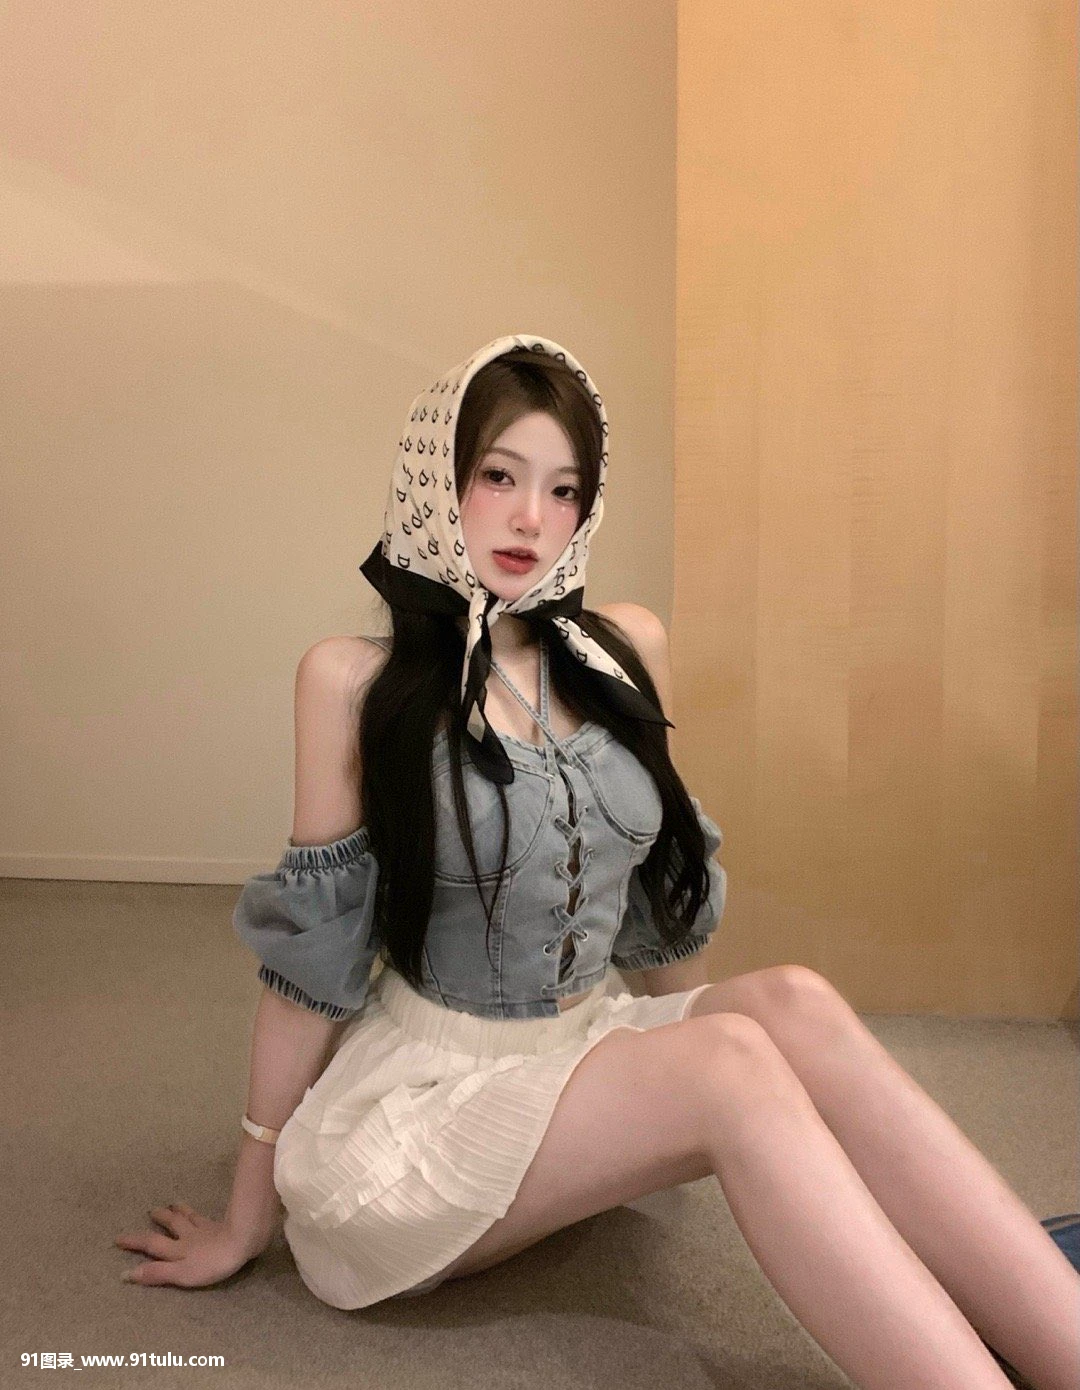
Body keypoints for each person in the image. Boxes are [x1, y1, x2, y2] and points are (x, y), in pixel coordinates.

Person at [115, 335, 1080, 1390]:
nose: (532, 518)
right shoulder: (352, 681)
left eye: (564, 489)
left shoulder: (620, 648)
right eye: (499, 476)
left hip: (576, 1044)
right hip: (424, 1115)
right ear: (438, 479)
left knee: (789, 1006)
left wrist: (681, 1081)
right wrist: (245, 1215)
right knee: (734, 1063)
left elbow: (657, 902)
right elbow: (313, 964)